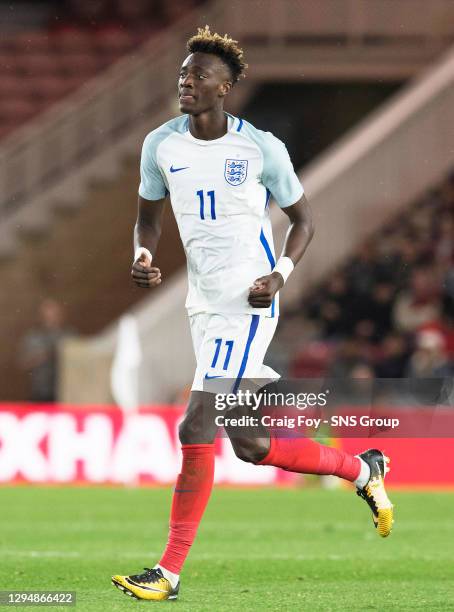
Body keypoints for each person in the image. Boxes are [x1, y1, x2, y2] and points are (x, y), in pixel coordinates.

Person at [111, 26, 394, 602]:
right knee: (251, 444)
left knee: (195, 424)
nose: (186, 83)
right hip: (203, 304)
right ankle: (363, 470)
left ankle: (167, 572)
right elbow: (148, 217)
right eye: (182, 75)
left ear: (227, 87)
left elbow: (304, 220)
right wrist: (141, 253)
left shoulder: (259, 147)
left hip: (249, 302)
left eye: (199, 76)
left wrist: (279, 276)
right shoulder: (160, 145)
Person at [18, 299, 72, 402]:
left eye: (55, 313)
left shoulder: (69, 336)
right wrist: (42, 356)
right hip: (40, 392)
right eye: (48, 313)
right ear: (41, 315)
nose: (51, 317)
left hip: (64, 392)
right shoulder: (33, 337)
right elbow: (23, 363)